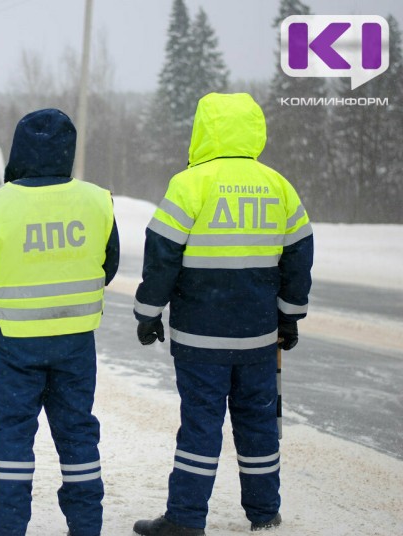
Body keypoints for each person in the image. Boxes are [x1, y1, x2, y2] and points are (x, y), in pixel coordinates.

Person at [131, 93, 314, 535]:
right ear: (254, 129)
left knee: (200, 424)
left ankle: (186, 518)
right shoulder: (278, 185)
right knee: (258, 423)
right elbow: (299, 257)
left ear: (204, 130)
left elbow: (162, 256)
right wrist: (289, 315)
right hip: (257, 338)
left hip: (200, 338)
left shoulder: (190, 184)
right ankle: (264, 512)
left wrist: (148, 312)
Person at [0, 108, 120, 536]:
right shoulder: (97, 200)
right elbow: (110, 265)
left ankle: (9, 528)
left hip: (15, 343)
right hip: (75, 343)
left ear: (19, 149)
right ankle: (87, 526)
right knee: (78, 436)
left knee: (12, 437)